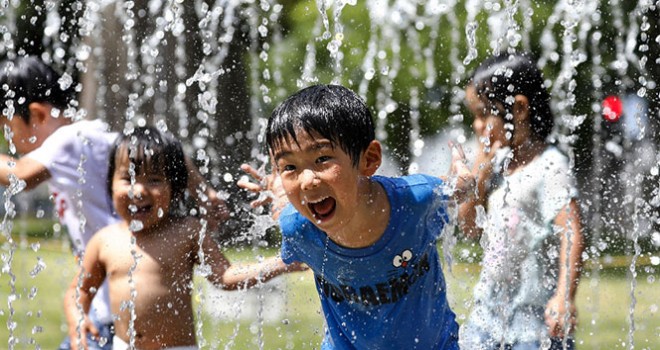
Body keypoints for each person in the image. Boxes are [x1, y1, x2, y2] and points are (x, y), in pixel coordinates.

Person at [0, 55, 224, 349]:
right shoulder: (93, 134)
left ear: (38, 115)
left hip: (111, 302)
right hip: (112, 295)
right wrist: (204, 192)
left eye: (8, 128)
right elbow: (165, 153)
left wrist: (203, 194)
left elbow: (20, 175)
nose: (10, 143)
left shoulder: (67, 139)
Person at [238, 84, 475, 349]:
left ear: (369, 159)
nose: (307, 181)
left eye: (322, 159)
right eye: (290, 167)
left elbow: (459, 188)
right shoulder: (298, 228)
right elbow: (287, 212)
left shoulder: (413, 201)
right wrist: (280, 193)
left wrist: (462, 175)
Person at [64, 126, 303, 349]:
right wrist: (78, 321)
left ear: (176, 189)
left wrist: (280, 263)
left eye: (154, 180)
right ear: (111, 184)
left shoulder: (187, 231)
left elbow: (224, 276)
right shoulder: (105, 240)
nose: (138, 190)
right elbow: (80, 291)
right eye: (128, 179)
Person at [457, 52, 584, 350]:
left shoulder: (550, 166)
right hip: (486, 316)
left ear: (520, 108)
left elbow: (572, 231)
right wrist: (481, 170)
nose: (477, 126)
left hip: (534, 322)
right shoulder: (498, 166)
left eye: (483, 113)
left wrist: (564, 296)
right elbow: (469, 227)